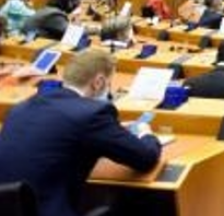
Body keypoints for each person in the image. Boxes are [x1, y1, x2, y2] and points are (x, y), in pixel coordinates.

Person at [0, 49, 162, 216]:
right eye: (109, 84)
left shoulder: (22, 107)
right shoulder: (93, 113)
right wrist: (145, 133)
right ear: (98, 82)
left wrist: (112, 130)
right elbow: (145, 158)